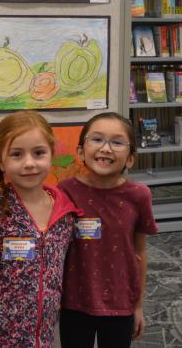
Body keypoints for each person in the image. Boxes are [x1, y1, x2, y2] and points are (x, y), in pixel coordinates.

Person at [0, 111, 83, 347]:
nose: (29, 163)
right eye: (16, 154)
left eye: (38, 153)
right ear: (1, 161)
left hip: (42, 337)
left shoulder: (65, 212)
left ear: (52, 154)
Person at [58, 112, 158, 348]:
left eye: (117, 142)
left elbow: (140, 251)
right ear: (81, 151)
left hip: (120, 302)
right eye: (97, 139)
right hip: (74, 302)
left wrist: (138, 305)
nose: (106, 148)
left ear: (131, 158)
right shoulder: (65, 190)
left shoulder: (139, 195)